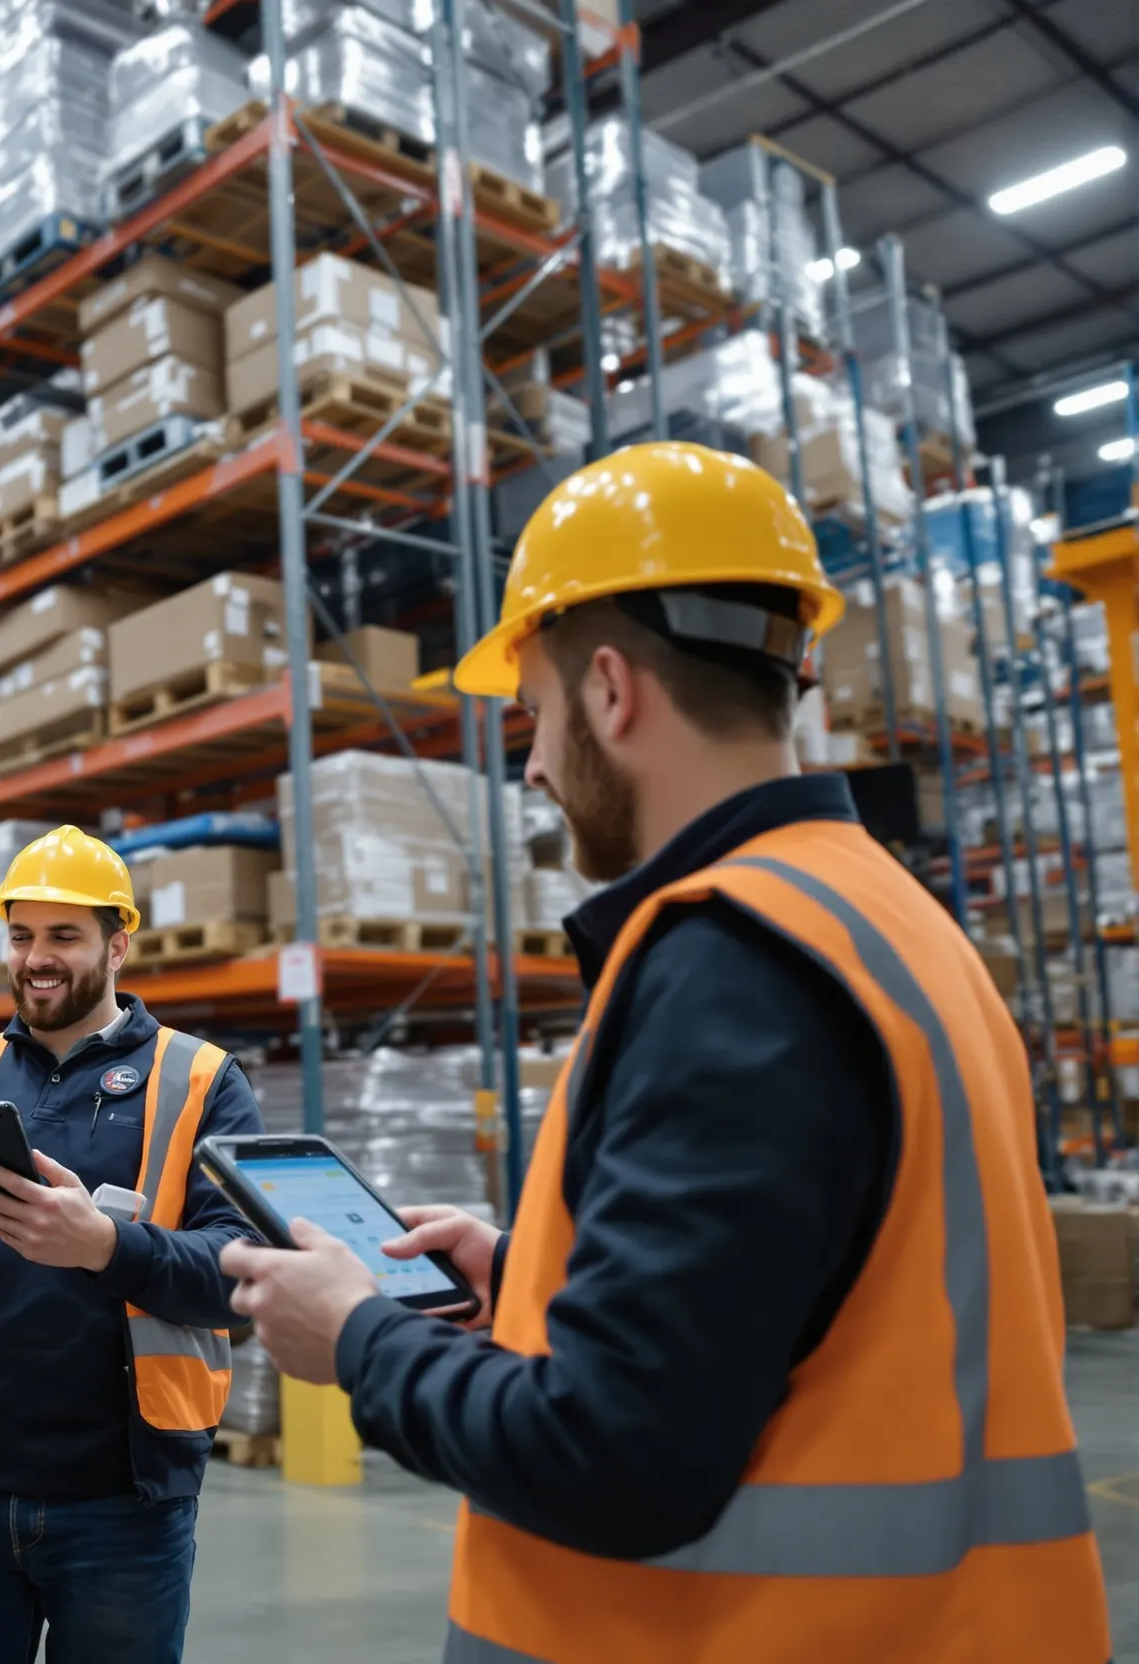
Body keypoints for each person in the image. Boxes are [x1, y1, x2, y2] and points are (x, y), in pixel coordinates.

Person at [219, 442, 1110, 1660]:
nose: (529, 763)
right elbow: (818, 1285)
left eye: (531, 711)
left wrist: (361, 1338)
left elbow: (617, 1456)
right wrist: (531, 1270)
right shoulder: (889, 921)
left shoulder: (730, 960)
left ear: (611, 690)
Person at [0, 826, 263, 1664]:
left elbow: (242, 1277)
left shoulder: (202, 1081)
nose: (37, 958)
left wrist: (107, 1246)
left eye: (63, 937)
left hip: (124, 1507)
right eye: (22, 935)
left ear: (117, 944)